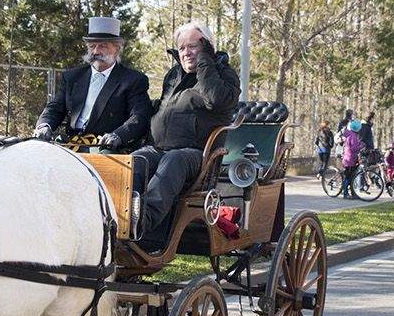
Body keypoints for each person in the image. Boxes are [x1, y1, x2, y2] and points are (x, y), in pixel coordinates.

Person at [129, 22, 240, 249]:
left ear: (208, 47)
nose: (186, 52)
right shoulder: (174, 75)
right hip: (159, 149)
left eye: (193, 46)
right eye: (182, 48)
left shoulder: (224, 75)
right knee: (135, 160)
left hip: (198, 157)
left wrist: (205, 62)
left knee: (174, 159)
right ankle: (120, 214)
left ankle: (143, 221)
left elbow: (216, 99)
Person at [34, 16, 152, 151]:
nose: (96, 51)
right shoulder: (72, 77)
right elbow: (55, 108)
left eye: (102, 46)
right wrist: (44, 125)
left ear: (117, 49)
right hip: (71, 143)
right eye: (92, 46)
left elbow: (139, 116)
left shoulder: (133, 80)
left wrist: (119, 135)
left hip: (106, 146)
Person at [339, 120, 365, 197]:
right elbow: (353, 148)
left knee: (352, 176)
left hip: (350, 158)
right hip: (350, 159)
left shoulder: (351, 134)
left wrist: (359, 143)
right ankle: (345, 193)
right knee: (349, 176)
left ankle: (352, 193)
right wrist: (362, 146)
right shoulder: (353, 136)